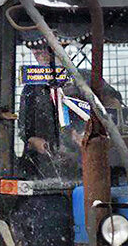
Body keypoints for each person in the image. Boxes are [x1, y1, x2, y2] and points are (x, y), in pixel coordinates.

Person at [17, 41, 122, 185]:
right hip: (46, 169)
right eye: (34, 49)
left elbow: (113, 105)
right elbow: (25, 130)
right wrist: (38, 143)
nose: (37, 52)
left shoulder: (84, 77)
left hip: (90, 158)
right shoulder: (32, 86)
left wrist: (91, 132)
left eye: (44, 47)